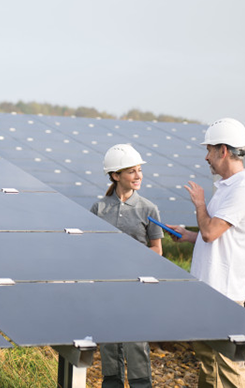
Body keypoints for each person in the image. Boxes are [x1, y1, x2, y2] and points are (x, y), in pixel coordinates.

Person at [167, 118, 245, 388]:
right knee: (209, 364)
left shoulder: (242, 190)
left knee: (228, 368)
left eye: (209, 150)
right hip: (209, 291)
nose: (206, 157)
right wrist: (188, 237)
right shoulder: (227, 188)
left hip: (225, 295)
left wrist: (199, 204)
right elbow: (216, 238)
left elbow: (210, 232)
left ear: (223, 150)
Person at [90, 143, 163, 388]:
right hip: (107, 287)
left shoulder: (148, 208)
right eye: (131, 171)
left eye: (139, 170)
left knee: (136, 343)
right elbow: (91, 250)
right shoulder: (98, 209)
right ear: (115, 175)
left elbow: (157, 250)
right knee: (109, 344)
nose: (138, 175)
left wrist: (131, 263)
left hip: (136, 287)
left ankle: (141, 384)